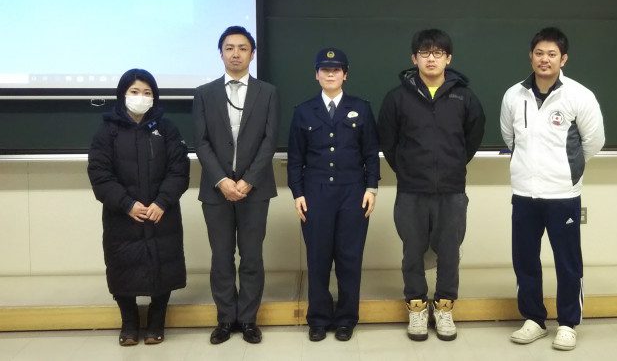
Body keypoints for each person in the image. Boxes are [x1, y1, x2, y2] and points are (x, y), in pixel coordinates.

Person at [500, 27, 605, 351]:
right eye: (539, 53)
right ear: (530, 56)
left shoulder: (579, 95)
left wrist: (566, 171)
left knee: (567, 262)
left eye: (552, 54)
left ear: (563, 59)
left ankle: (568, 324)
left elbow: (593, 142)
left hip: (563, 196)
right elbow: (509, 138)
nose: (544, 59)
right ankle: (533, 319)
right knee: (525, 260)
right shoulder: (514, 95)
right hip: (524, 193)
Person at [377, 29, 485, 342]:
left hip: (451, 190)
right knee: (412, 251)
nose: (431, 59)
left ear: (448, 58)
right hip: (411, 190)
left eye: (438, 53)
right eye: (425, 53)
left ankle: (445, 307)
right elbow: (388, 141)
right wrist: (408, 170)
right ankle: (416, 307)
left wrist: (452, 165)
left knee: (449, 251)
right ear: (414, 58)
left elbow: (472, 137)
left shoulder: (464, 97)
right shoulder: (397, 98)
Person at [87, 68, 190, 346]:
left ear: (154, 97)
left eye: (147, 92)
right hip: (122, 215)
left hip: (161, 213)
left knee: (163, 265)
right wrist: (127, 203)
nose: (141, 97)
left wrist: (162, 201)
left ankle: (157, 322)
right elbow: (100, 174)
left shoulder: (166, 129)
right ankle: (129, 323)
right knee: (122, 267)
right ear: (122, 94)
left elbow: (179, 170)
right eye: (134, 91)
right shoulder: (107, 131)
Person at [287, 48, 381, 342]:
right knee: (318, 259)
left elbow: (371, 153)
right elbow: (295, 158)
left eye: (336, 69)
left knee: (349, 258)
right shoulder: (304, 111)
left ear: (345, 74)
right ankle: (318, 319)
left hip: (353, 194)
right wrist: (298, 193)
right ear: (316, 74)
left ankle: (346, 319)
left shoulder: (361, 108)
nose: (330, 74)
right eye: (325, 70)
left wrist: (371, 188)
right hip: (315, 194)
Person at [193, 26, 279, 345]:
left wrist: (247, 181)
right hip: (216, 190)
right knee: (221, 257)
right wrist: (222, 180)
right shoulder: (204, 93)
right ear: (221, 53)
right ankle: (225, 319)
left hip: (255, 190)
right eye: (229, 48)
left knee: (252, 257)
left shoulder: (268, 92)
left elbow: (270, 141)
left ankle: (248, 319)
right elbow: (201, 142)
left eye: (242, 48)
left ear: (252, 54)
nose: (236, 54)